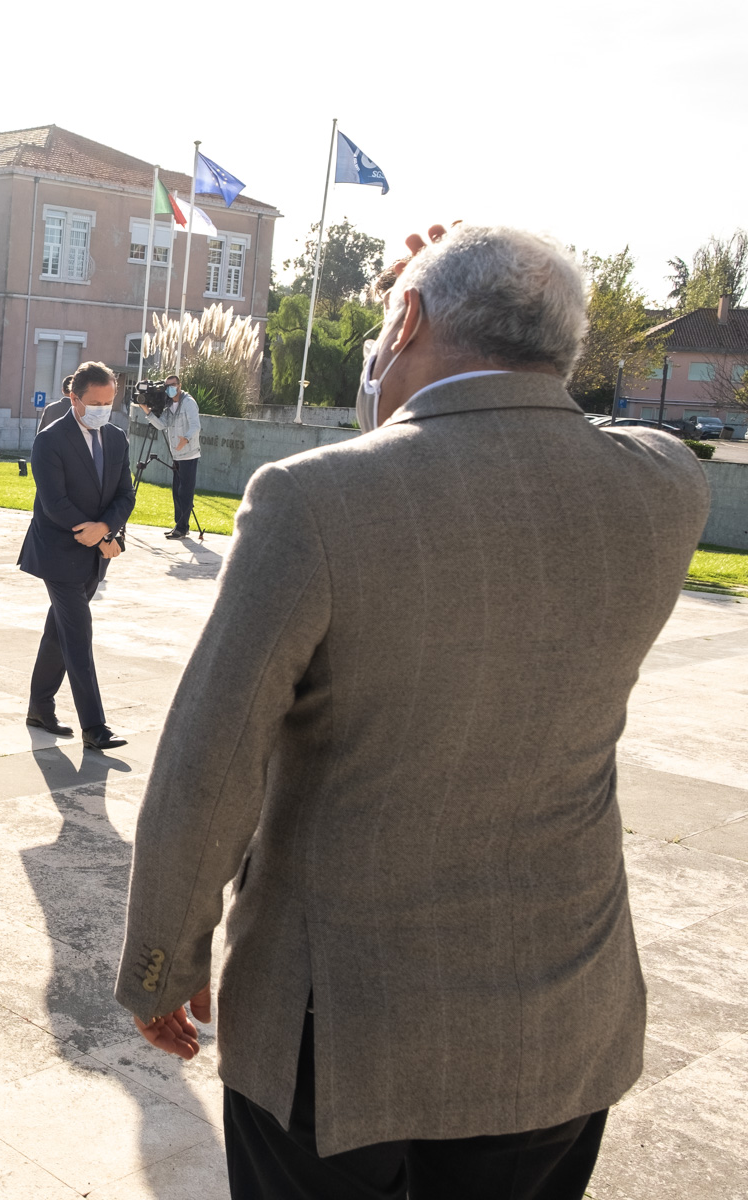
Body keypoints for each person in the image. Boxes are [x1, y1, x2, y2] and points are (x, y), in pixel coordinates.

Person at [116, 225, 711, 1200]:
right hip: (561, 1024)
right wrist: (444, 304)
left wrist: (161, 956)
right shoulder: (664, 485)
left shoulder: (313, 500)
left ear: (409, 321)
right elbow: (494, 459)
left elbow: (208, 767)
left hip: (342, 1035)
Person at [19, 360, 133, 751]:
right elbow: (55, 504)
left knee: (60, 631)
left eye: (109, 402)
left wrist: (108, 530)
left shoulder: (117, 438)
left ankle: (40, 707)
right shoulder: (50, 440)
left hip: (96, 555)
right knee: (78, 633)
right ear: (74, 399)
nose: (103, 409)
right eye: (95, 403)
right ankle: (94, 726)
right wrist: (99, 535)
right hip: (58, 553)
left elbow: (125, 495)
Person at [141, 371, 200, 538]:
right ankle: (179, 526)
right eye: (167, 386)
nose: (170, 388)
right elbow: (162, 425)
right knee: (176, 492)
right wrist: (147, 412)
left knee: (185, 492)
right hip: (176, 455)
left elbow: (196, 426)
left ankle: (183, 527)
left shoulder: (188, 403)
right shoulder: (168, 405)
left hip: (189, 454)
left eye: (173, 385)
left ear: (179, 386)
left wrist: (186, 439)